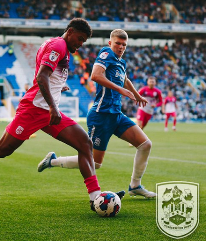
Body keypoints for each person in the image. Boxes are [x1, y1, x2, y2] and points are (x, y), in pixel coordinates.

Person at [0, 18, 119, 210]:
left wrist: (57, 89)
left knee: (84, 143)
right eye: (79, 39)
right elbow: (41, 76)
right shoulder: (59, 45)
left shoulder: (59, 46)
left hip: (47, 110)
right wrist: (53, 107)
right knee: (1, 150)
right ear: (70, 32)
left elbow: (46, 75)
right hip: (34, 110)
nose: (80, 44)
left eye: (83, 41)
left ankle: (95, 197)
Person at [38, 29, 156, 198]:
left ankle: (135, 185)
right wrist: (121, 90)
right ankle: (53, 161)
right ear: (110, 43)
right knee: (95, 163)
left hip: (116, 114)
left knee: (145, 145)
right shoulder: (106, 53)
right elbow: (95, 75)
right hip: (101, 115)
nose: (121, 47)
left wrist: (137, 95)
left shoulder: (120, 62)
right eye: (118, 43)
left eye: (124, 45)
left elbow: (124, 79)